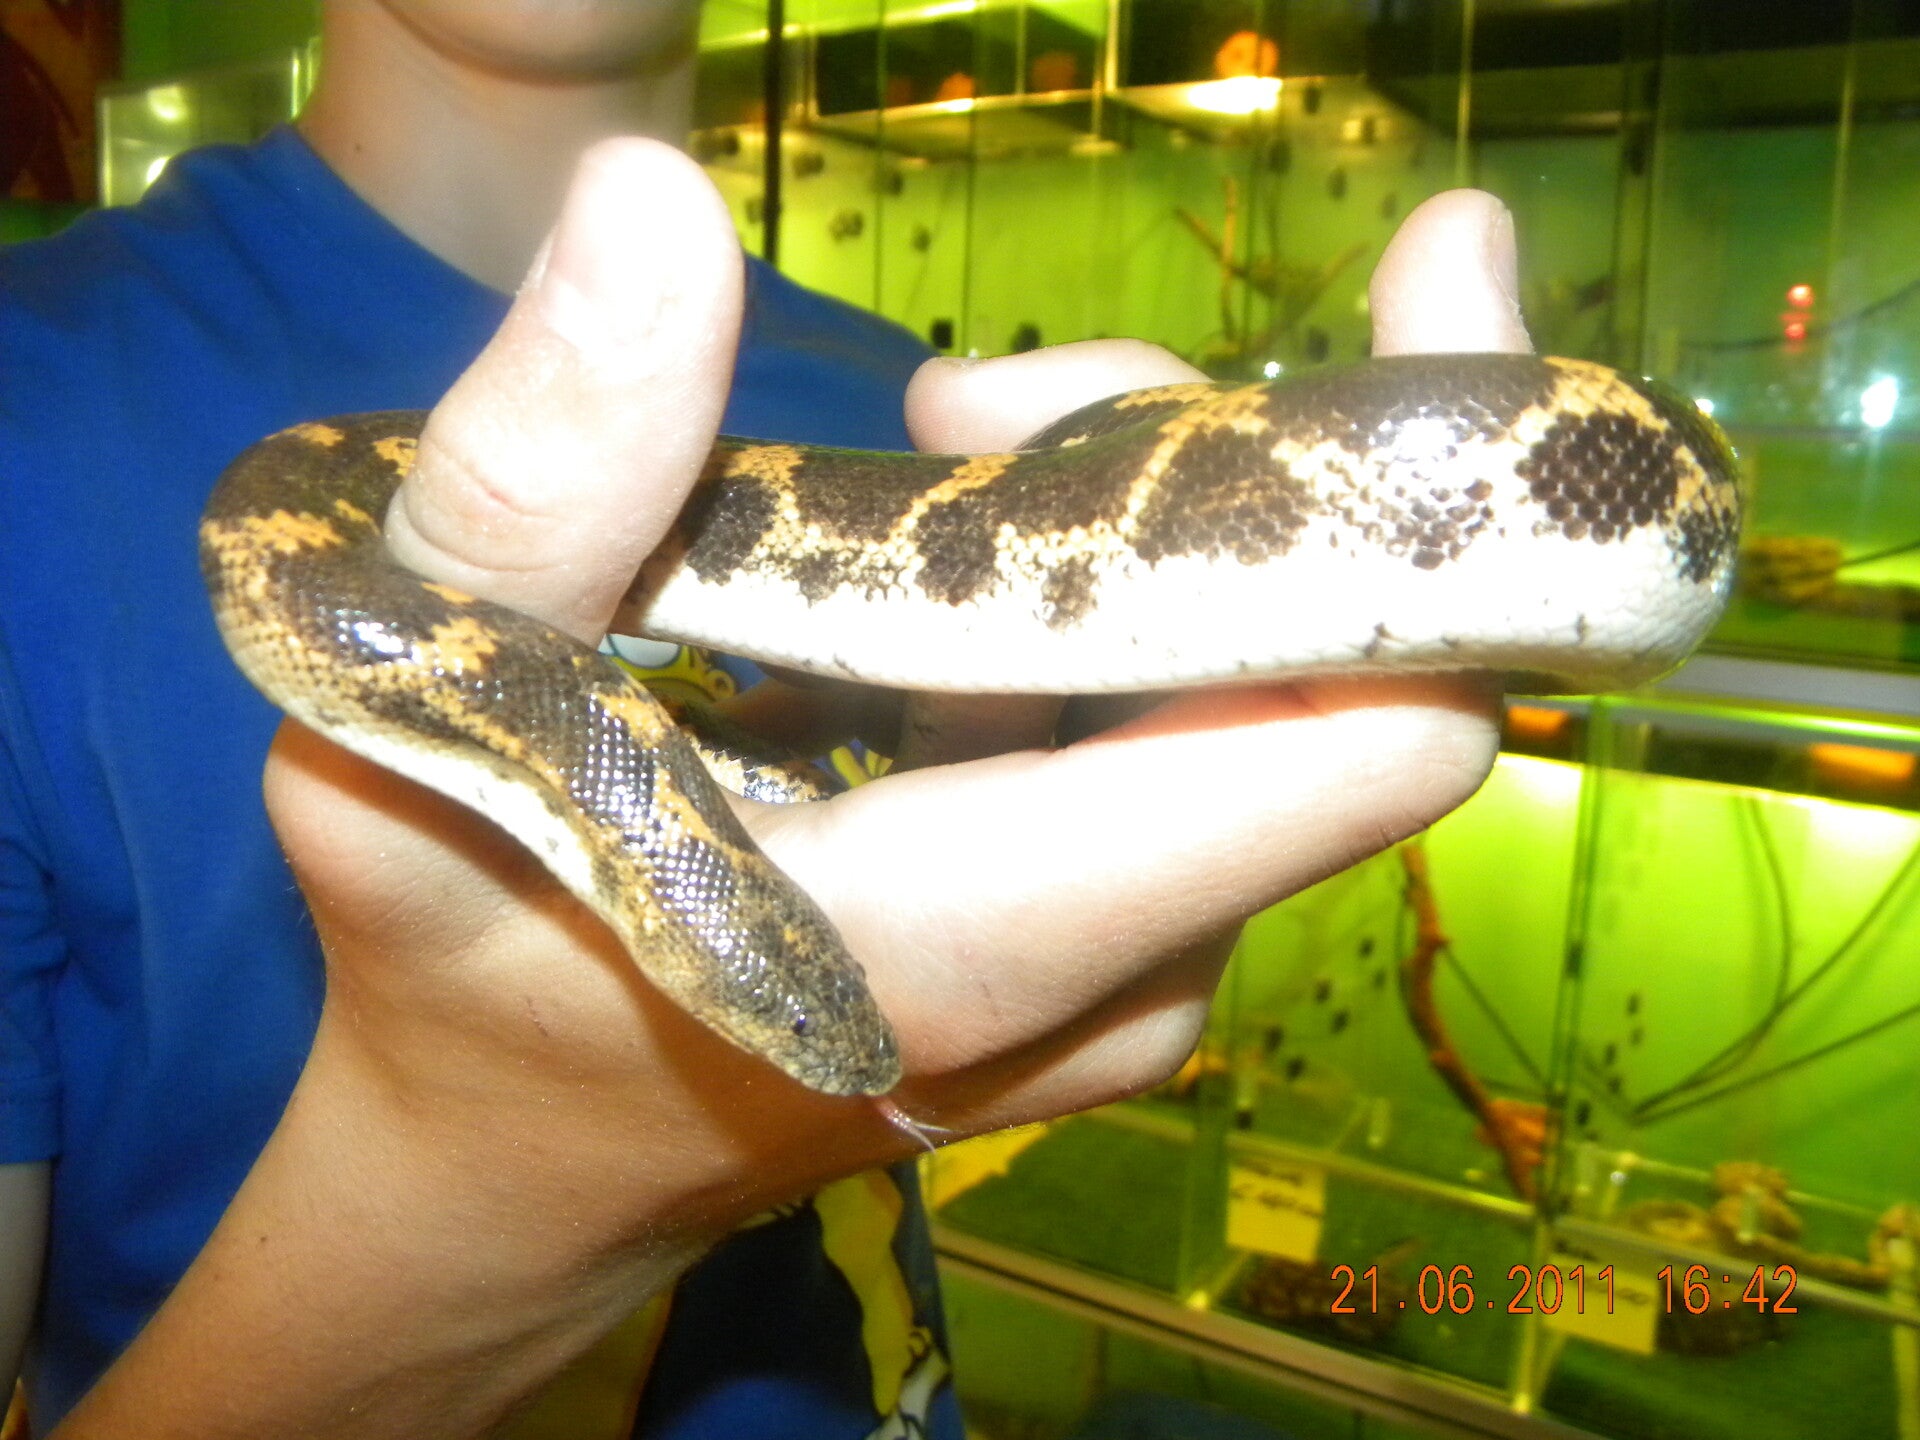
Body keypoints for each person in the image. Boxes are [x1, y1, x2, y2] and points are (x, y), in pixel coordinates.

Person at [0, 1, 1528, 1434]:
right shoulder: (35, 407)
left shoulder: (906, 405)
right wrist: (487, 1195)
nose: (831, 1057)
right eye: (796, 1026)